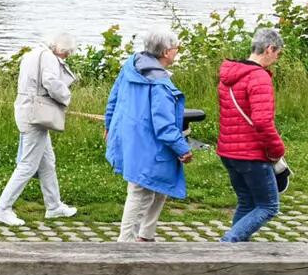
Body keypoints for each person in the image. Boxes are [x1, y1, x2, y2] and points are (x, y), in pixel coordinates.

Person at [104, 28, 194, 242]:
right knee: (140, 191)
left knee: (159, 186)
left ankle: (146, 235)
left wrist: (109, 125)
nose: (177, 51)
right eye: (176, 48)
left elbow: (113, 98)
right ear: (165, 52)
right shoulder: (160, 84)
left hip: (129, 137)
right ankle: (125, 242)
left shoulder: (131, 66)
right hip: (149, 144)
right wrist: (183, 148)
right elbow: (164, 126)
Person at [0, 31, 79, 226]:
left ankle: (54, 206)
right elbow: (51, 82)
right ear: (60, 48)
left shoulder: (31, 54)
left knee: (48, 162)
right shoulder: (49, 58)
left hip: (26, 110)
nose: (67, 56)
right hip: (35, 116)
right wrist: (66, 97)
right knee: (28, 165)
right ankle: (2, 208)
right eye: (67, 52)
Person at [216, 27, 289, 242]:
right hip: (251, 155)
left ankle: (237, 252)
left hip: (228, 151)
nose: (277, 58)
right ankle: (227, 244)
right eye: (278, 53)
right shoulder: (259, 77)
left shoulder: (229, 74)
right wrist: (277, 149)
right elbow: (262, 121)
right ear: (269, 49)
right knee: (268, 206)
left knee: (247, 203)